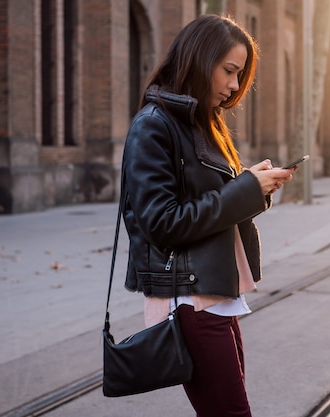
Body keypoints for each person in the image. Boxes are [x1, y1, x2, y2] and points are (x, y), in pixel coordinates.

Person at [120, 14, 295, 416]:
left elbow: (212, 204)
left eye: (240, 75)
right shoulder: (153, 126)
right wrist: (245, 189)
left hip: (214, 293)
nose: (235, 86)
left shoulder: (200, 124)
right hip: (188, 300)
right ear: (199, 61)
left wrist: (255, 187)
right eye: (230, 71)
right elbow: (162, 223)